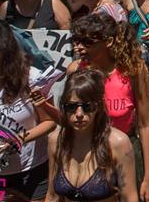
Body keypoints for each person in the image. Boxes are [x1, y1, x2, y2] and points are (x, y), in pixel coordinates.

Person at [68, 14, 149, 202]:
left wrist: (148, 177)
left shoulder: (132, 70)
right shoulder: (76, 71)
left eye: (87, 42)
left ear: (107, 42)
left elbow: (145, 124)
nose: (80, 48)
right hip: (89, 158)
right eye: (77, 41)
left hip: (128, 156)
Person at [0, 19, 57, 201]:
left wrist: (19, 139)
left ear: (7, 47)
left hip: (32, 172)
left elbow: (50, 121)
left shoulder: (31, 78)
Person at [47, 69, 138, 202]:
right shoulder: (56, 141)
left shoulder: (118, 143)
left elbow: (129, 197)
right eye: (71, 107)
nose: (79, 114)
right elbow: (52, 196)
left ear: (98, 106)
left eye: (87, 106)